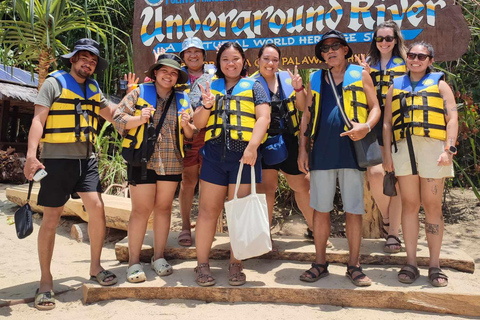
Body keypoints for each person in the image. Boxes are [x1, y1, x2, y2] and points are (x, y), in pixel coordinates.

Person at [23, 38, 118, 310]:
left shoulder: (94, 87)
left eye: (93, 60)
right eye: (84, 58)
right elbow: (38, 120)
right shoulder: (54, 82)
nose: (88, 63)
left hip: (86, 159)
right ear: (73, 59)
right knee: (51, 217)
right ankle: (45, 281)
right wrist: (32, 156)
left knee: (97, 207)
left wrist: (135, 107)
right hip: (56, 160)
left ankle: (95, 267)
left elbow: (113, 115)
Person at [298, 30, 380, 286]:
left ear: (346, 49)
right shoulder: (316, 77)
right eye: (325, 48)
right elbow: (307, 115)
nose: (330, 51)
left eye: (335, 45)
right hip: (322, 151)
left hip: (352, 152)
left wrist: (365, 127)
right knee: (320, 210)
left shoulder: (360, 73)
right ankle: (320, 263)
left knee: (353, 210)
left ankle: (354, 265)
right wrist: (303, 149)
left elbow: (375, 107)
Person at [112, 53, 195, 283]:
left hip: (171, 161)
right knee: (140, 210)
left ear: (177, 77)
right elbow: (117, 119)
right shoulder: (139, 92)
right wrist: (139, 118)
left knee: (164, 208)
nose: (168, 76)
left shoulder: (183, 98)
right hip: (142, 160)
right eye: (164, 71)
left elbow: (189, 134)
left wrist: (188, 124)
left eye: (173, 72)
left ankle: (159, 257)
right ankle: (133, 262)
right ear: (155, 73)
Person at [193, 42, 270, 287]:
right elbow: (198, 123)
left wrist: (252, 147)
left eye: (235, 58)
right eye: (225, 59)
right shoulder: (209, 87)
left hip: (244, 156)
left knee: (239, 212)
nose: (230, 63)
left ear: (243, 61)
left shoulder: (256, 86)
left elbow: (263, 118)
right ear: (219, 63)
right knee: (207, 212)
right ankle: (202, 265)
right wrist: (206, 105)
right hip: (215, 155)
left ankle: (236, 263)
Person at [383, 42, 458, 287]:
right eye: (412, 55)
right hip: (403, 150)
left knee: (432, 206)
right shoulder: (395, 86)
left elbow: (452, 117)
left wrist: (449, 149)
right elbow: (387, 124)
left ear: (430, 60)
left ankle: (435, 264)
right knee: (410, 205)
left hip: (433, 150)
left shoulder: (440, 84)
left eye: (421, 56)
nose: (415, 59)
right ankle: (411, 262)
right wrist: (387, 155)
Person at [251, 44, 314, 242]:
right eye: (266, 59)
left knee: (303, 185)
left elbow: (303, 107)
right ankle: (264, 238)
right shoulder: (250, 83)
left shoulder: (288, 80)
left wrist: (298, 88)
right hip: (263, 142)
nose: (270, 63)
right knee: (266, 189)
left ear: (279, 61)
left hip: (288, 140)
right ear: (258, 60)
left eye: (275, 59)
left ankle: (315, 230)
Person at [356, 20, 406, 253]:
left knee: (394, 177)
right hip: (375, 124)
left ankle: (393, 233)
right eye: (380, 38)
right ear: (374, 41)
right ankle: (387, 218)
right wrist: (363, 74)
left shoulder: (407, 63)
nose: (384, 42)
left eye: (388, 38)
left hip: (399, 125)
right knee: (376, 173)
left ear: (395, 40)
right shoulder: (367, 64)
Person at [176, 37, 216, 247]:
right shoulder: (175, 75)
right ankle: (185, 225)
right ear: (183, 56)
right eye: (188, 52)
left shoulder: (214, 74)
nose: (193, 55)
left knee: (210, 182)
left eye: (197, 51)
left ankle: (206, 225)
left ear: (204, 54)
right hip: (186, 134)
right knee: (188, 181)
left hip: (211, 134)